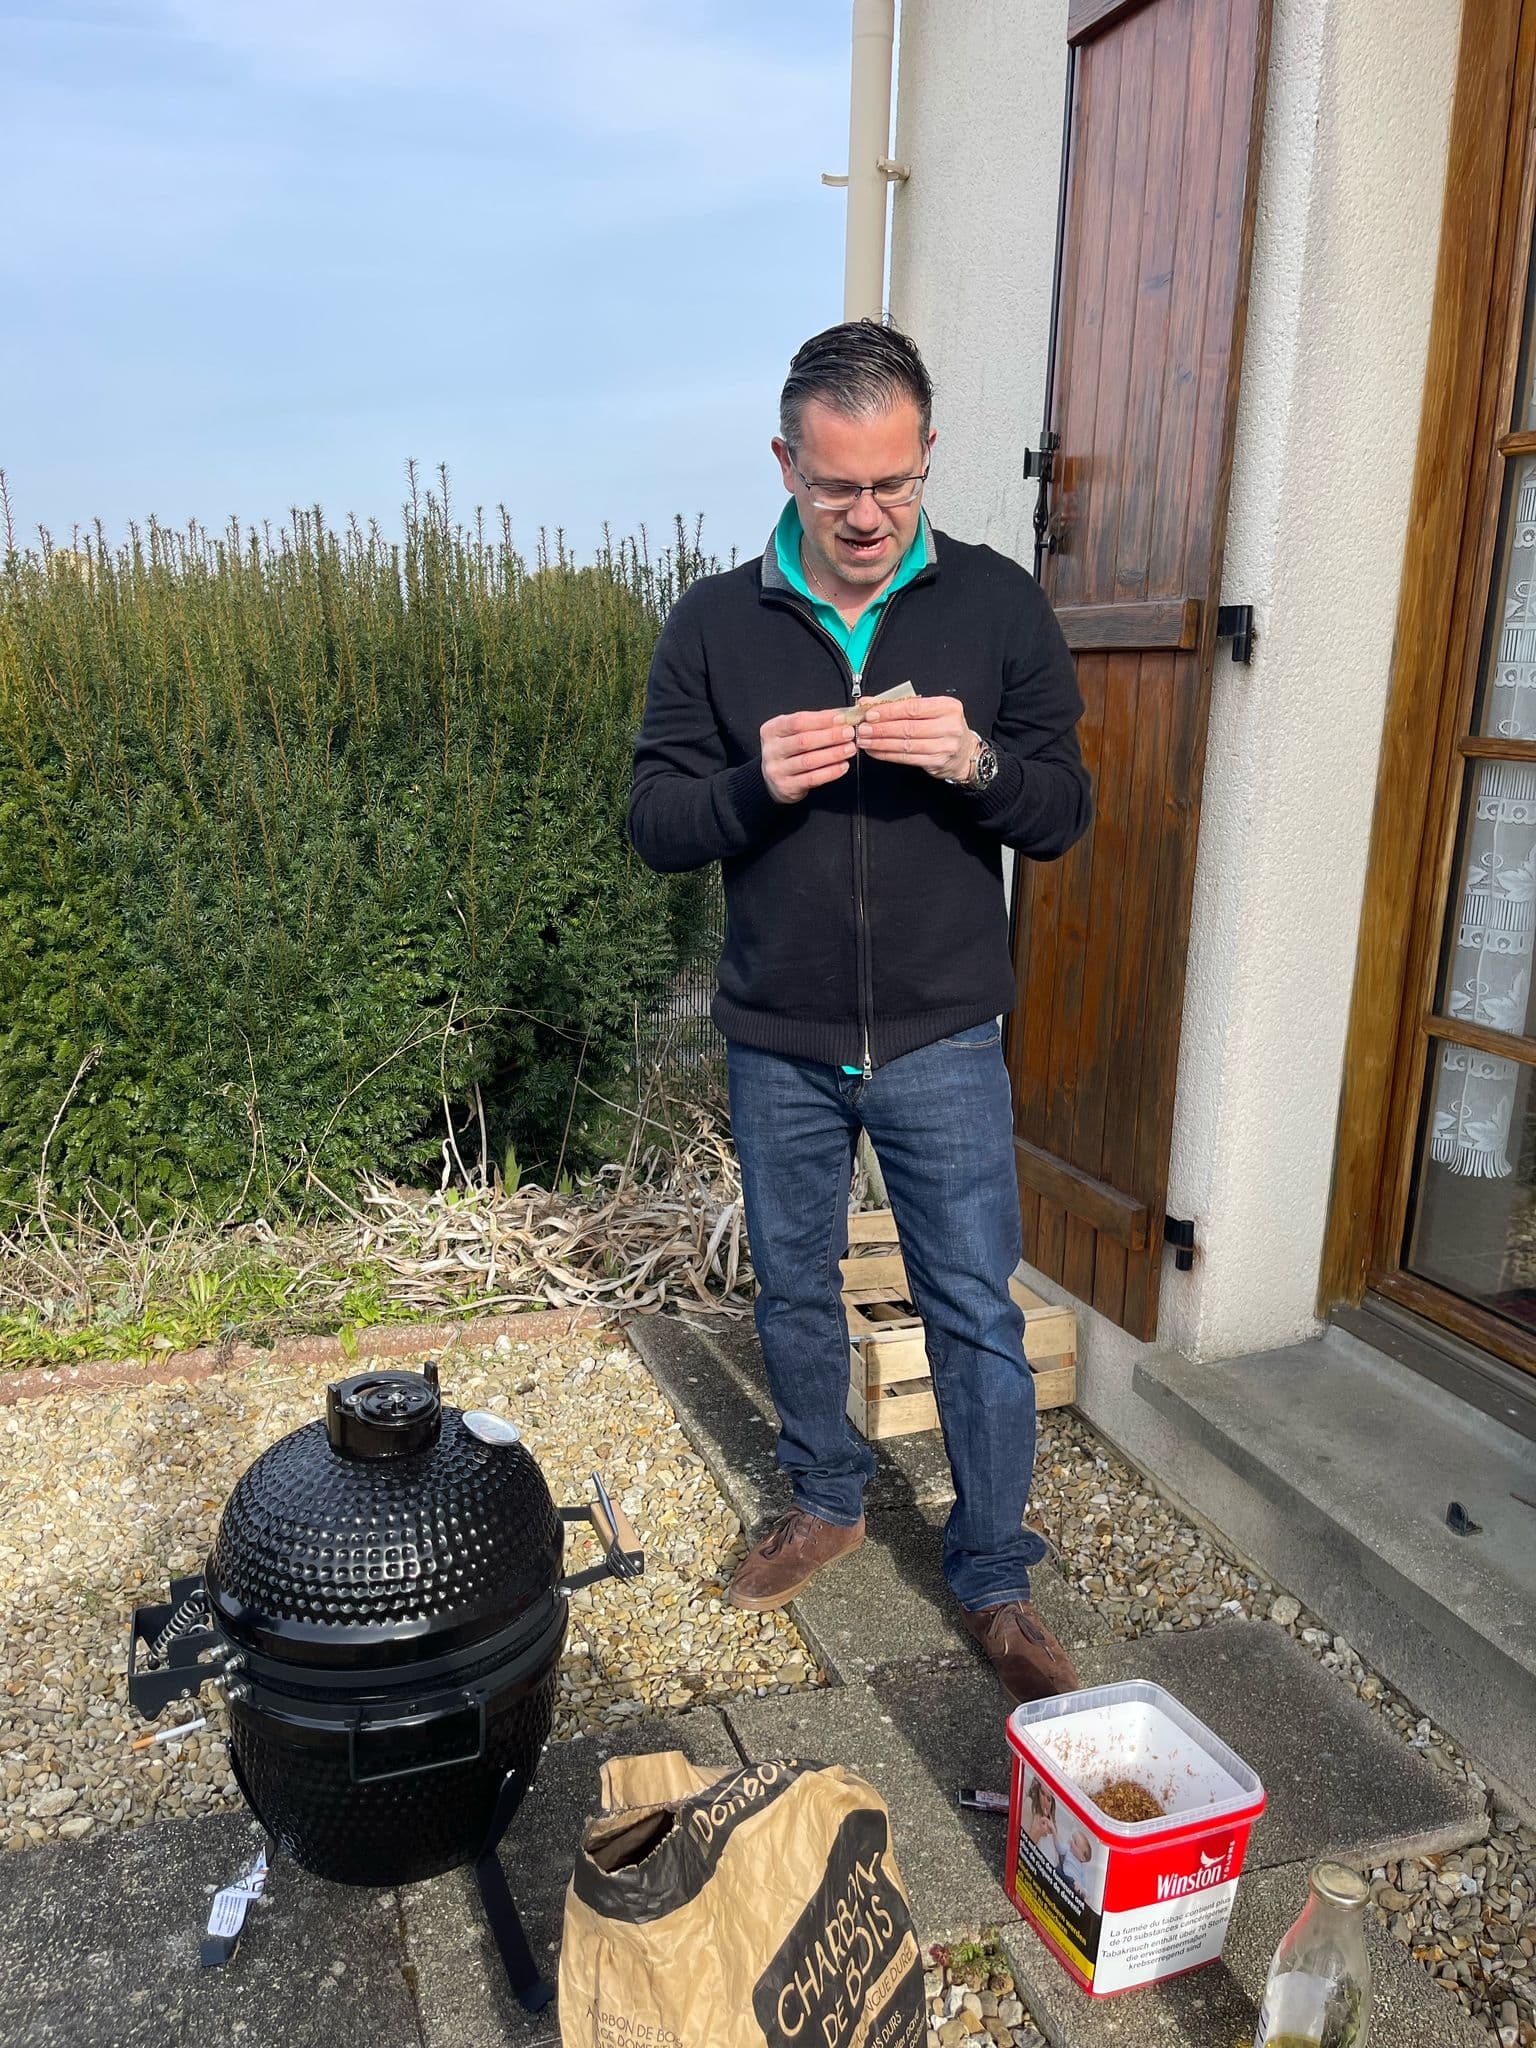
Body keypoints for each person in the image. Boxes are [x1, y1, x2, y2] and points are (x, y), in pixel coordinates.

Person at [628, 319, 1092, 1704]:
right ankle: (827, 1499)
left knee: (975, 1308)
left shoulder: (998, 606)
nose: (870, 515)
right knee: (795, 1285)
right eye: (839, 486)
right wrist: (749, 787)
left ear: (928, 456)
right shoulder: (717, 622)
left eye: (894, 482)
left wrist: (972, 760)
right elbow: (654, 820)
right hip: (778, 1033)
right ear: (786, 463)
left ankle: (995, 1571)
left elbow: (1062, 811)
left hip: (947, 1032)